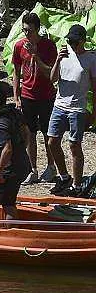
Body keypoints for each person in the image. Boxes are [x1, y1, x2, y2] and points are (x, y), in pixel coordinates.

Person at [47, 25, 96, 196]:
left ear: (82, 41)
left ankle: (77, 185)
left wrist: (94, 113)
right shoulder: (64, 55)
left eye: (75, 41)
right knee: (52, 142)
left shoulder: (91, 59)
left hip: (77, 109)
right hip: (59, 106)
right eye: (70, 41)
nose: (72, 44)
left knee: (74, 146)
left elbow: (95, 89)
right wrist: (57, 60)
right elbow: (52, 79)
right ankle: (64, 177)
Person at [11, 13, 57, 184]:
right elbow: (16, 73)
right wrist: (16, 97)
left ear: (37, 29)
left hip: (45, 95)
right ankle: (33, 169)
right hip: (27, 95)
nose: (26, 33)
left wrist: (35, 55)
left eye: (29, 30)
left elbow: (50, 73)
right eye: (24, 30)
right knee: (30, 133)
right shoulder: (19, 46)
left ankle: (51, 166)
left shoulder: (48, 46)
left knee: (47, 133)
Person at [0, 81, 31, 220]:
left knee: (7, 204)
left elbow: (7, 149)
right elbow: (27, 133)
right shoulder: (14, 112)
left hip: (11, 169)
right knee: (10, 198)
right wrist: (21, 149)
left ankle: (13, 229)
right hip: (23, 162)